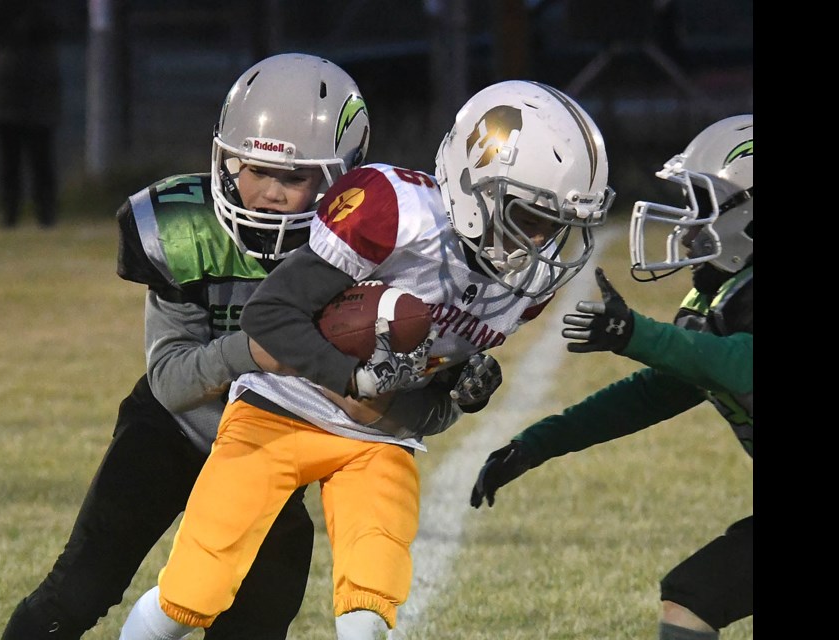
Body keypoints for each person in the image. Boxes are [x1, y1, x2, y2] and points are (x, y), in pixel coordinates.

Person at [118, 79, 615, 640]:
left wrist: (457, 388)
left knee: (369, 604)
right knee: (193, 592)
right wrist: (351, 377)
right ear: (478, 185)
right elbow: (269, 317)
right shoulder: (396, 212)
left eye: (557, 229)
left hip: (375, 442)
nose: (543, 244)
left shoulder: (523, 286)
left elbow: (421, 400)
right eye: (531, 218)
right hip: (276, 410)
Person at [0, 53, 380, 640]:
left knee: (256, 619)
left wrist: (449, 374)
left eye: (292, 176)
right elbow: (173, 383)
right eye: (254, 169)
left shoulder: (367, 249)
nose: (268, 193)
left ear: (341, 181)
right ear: (225, 160)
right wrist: (259, 352)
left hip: (266, 453)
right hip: (173, 431)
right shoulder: (186, 230)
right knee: (77, 589)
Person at [470, 114, 753, 640]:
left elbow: (741, 363)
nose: (686, 227)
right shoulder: (723, 299)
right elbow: (656, 393)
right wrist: (537, 444)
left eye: (703, 207)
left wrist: (635, 334)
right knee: (694, 598)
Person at [0, 0, 62, 228]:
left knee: (41, 159)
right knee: (9, 161)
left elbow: (61, 23)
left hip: (37, 92)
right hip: (5, 92)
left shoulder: (44, 13)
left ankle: (46, 213)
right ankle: (10, 212)